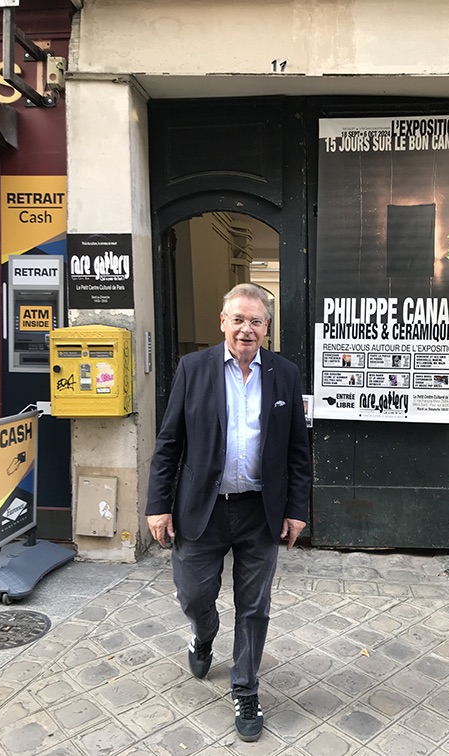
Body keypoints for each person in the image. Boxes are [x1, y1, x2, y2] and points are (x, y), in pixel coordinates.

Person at [146, 282, 311, 742]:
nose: (246, 329)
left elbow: (298, 450)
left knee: (254, 606)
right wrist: (158, 506)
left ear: (267, 327)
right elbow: (169, 443)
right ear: (223, 322)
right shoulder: (193, 369)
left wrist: (296, 510)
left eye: (256, 321)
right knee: (193, 595)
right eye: (238, 319)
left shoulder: (284, 373)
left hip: (260, 510)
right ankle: (204, 633)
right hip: (203, 509)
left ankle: (245, 687)